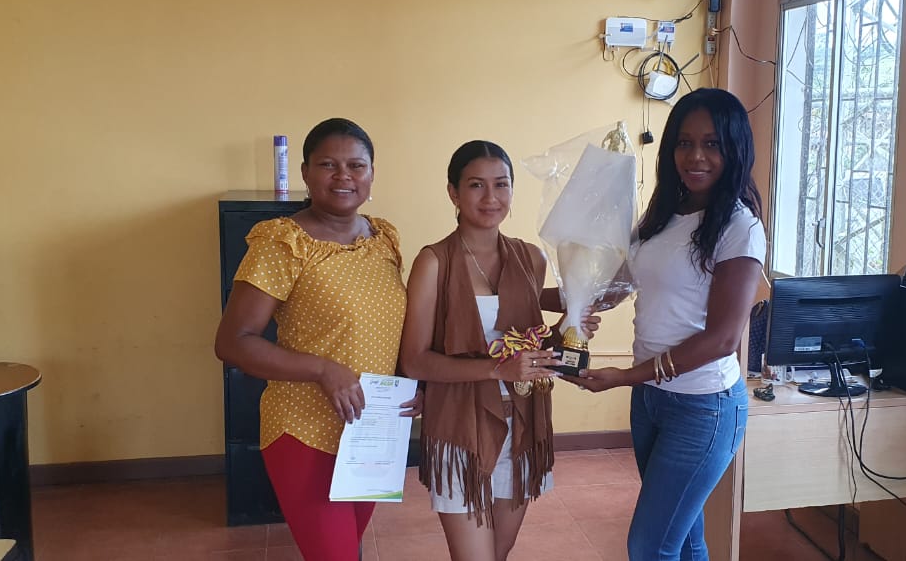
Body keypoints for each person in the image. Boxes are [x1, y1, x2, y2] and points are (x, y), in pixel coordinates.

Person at [569, 88, 766, 561]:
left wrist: (625, 376)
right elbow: (613, 290)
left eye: (712, 144)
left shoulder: (739, 227)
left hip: (703, 407)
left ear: (735, 150)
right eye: (684, 142)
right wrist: (526, 288)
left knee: (649, 546)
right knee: (684, 540)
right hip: (651, 402)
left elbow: (721, 340)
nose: (695, 156)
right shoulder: (661, 217)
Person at [214, 118, 418, 561]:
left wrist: (410, 382)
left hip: (372, 428)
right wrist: (323, 369)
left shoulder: (384, 238)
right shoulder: (283, 241)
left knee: (348, 548)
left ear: (372, 173)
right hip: (304, 428)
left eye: (356, 165)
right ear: (305, 173)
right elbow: (233, 342)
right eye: (328, 164)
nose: (343, 175)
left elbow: (388, 327)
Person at [399, 140, 598, 561]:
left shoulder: (531, 258)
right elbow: (415, 360)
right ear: (453, 192)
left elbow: (532, 347)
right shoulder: (434, 262)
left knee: (499, 552)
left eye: (501, 184)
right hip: (460, 429)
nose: (491, 197)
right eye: (476, 185)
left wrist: (569, 332)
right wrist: (496, 370)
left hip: (523, 427)